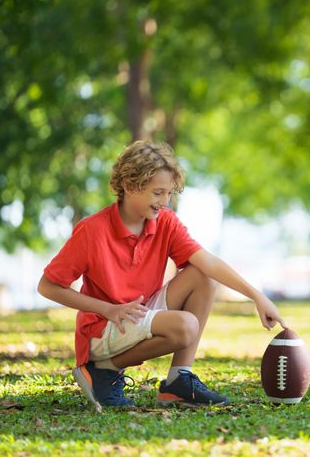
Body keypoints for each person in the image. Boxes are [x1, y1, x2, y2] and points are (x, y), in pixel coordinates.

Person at [38, 140, 286, 409]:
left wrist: (256, 296)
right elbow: (48, 286)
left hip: (140, 312)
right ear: (130, 186)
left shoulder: (165, 222)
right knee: (186, 326)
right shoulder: (92, 230)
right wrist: (108, 309)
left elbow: (209, 262)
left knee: (203, 275)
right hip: (102, 327)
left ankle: (179, 380)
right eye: (158, 193)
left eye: (169, 193)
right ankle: (103, 369)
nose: (164, 202)